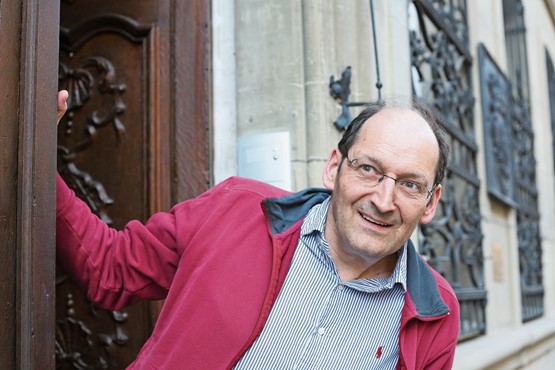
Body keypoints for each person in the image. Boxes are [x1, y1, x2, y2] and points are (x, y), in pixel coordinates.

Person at [55, 90, 459, 370]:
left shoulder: (436, 312)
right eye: (369, 169)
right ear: (335, 167)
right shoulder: (237, 210)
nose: (384, 200)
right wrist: (32, 151)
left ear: (431, 202)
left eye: (409, 184)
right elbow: (109, 268)